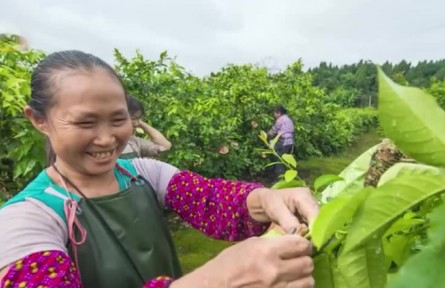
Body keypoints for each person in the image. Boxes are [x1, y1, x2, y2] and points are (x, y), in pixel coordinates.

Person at [0, 50, 319, 288]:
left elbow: (211, 200)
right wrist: (217, 280)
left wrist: (265, 200)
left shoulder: (143, 174)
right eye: (85, 122)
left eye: (119, 119)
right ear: (38, 119)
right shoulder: (24, 221)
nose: (107, 138)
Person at [267, 105, 295, 180]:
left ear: (278, 113)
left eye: (274, 114)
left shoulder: (280, 120)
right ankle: (287, 179)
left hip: (283, 142)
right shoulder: (288, 119)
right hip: (290, 142)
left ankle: (279, 181)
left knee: (279, 161)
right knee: (286, 161)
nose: (274, 115)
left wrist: (266, 135)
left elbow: (273, 132)